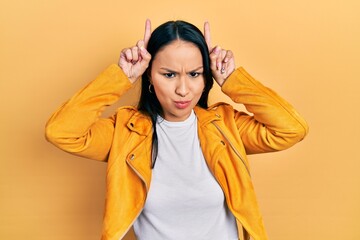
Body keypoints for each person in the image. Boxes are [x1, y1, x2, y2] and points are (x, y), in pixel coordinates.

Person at [45, 19, 308, 240]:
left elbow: (291, 129)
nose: (183, 90)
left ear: (206, 76)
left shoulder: (225, 126)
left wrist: (231, 80)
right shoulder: (125, 132)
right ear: (149, 76)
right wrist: (122, 76)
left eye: (195, 74)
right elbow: (62, 131)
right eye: (169, 75)